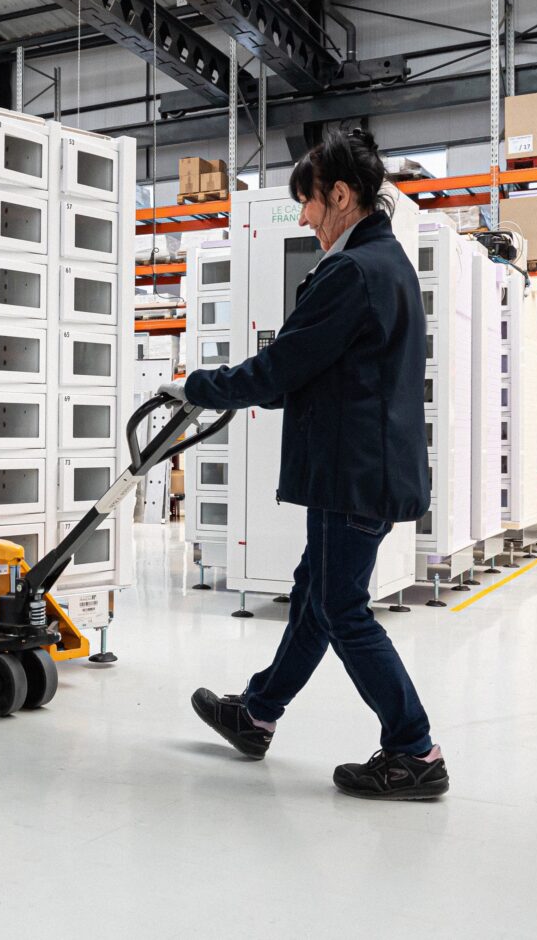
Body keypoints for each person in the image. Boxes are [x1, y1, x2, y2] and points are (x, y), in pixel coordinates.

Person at [158, 128, 445, 802]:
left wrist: (197, 386)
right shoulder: (386, 263)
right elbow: (317, 371)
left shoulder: (352, 272)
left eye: (309, 203)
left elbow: (282, 366)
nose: (305, 217)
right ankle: (258, 713)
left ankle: (415, 749)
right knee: (316, 593)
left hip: (353, 472)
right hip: (363, 466)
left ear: (341, 196)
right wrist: (249, 387)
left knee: (341, 608)